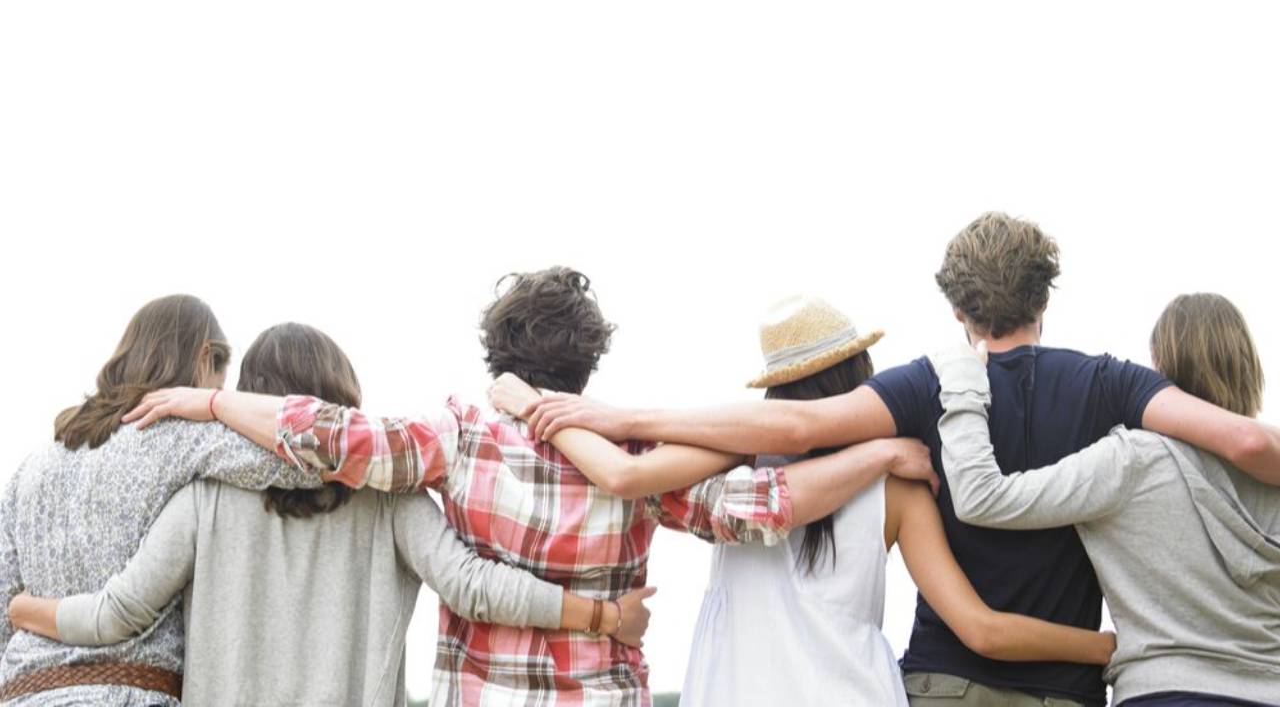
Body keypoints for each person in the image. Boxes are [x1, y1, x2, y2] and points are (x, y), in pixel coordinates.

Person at [511, 214, 1280, 707]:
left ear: (959, 311)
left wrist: (613, 415)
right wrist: (1114, 648)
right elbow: (1241, 442)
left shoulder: (921, 390)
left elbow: (792, 428)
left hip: (933, 684)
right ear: (1045, 298)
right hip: (1048, 689)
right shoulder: (1109, 386)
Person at [114, 268, 937, 707]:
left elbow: (334, 435)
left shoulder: (459, 434)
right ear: (588, 361)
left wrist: (212, 401)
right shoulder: (634, 452)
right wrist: (877, 452)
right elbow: (762, 508)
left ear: (498, 355)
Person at [487, 295, 1118, 706]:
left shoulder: (732, 464)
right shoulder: (896, 482)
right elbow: (980, 629)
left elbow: (624, 475)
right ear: (860, 377)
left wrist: (534, 404)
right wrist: (1108, 646)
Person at [6, 322, 653, 706]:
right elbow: (472, 586)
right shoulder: (390, 500)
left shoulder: (203, 499)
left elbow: (119, 612)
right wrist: (602, 616)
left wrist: (22, 608)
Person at [930, 293, 1280, 707]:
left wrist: (963, 382)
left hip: (1165, 692)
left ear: (1159, 368)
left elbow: (983, 497)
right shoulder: (1272, 471)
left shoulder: (1132, 461)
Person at [0, 295, 325, 706]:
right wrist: (219, 407)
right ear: (204, 358)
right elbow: (312, 457)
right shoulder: (181, 438)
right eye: (219, 380)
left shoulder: (31, 468)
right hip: (130, 694)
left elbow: (4, 606)